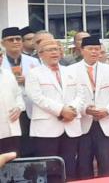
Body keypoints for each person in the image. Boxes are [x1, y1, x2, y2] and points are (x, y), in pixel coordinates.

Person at [25, 39, 83, 180]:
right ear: (40, 54)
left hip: (71, 125)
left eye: (56, 49)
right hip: (46, 128)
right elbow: (37, 97)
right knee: (48, 168)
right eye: (50, 50)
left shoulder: (71, 71)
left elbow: (81, 94)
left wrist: (72, 110)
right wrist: (61, 110)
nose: (54, 52)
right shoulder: (34, 73)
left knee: (69, 166)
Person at [68, 36, 109, 179]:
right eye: (90, 49)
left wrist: (107, 110)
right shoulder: (70, 70)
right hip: (83, 123)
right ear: (81, 50)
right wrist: (85, 109)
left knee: (107, 162)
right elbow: (70, 96)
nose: (94, 52)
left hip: (105, 121)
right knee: (84, 163)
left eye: (97, 49)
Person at [1, 27, 40, 157]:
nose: (15, 42)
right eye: (11, 40)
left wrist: (27, 80)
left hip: (30, 109)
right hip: (10, 113)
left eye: (18, 39)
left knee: (31, 148)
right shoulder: (2, 65)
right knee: (13, 150)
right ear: (3, 43)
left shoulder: (33, 61)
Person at [0, 47, 25, 155]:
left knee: (13, 166)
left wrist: (19, 108)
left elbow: (18, 95)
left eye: (0, 55)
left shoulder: (8, 74)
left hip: (11, 129)